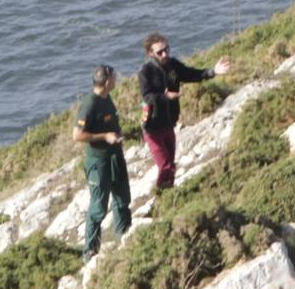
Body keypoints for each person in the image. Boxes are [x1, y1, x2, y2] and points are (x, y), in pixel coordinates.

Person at [138, 32, 231, 190]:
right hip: (152, 127)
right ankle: (162, 196)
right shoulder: (146, 71)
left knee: (171, 165)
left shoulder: (173, 65)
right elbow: (147, 97)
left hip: (169, 123)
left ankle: (169, 192)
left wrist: (213, 71)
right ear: (150, 53)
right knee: (165, 165)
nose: (165, 54)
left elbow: (192, 74)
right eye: (160, 52)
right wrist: (165, 96)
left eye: (167, 49)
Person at [73, 64, 132, 262]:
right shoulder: (90, 104)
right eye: (114, 78)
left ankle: (124, 236)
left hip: (115, 157)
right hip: (98, 162)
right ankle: (90, 250)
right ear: (107, 82)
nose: (117, 80)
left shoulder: (107, 98)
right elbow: (78, 135)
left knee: (122, 198)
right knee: (98, 207)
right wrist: (104, 136)